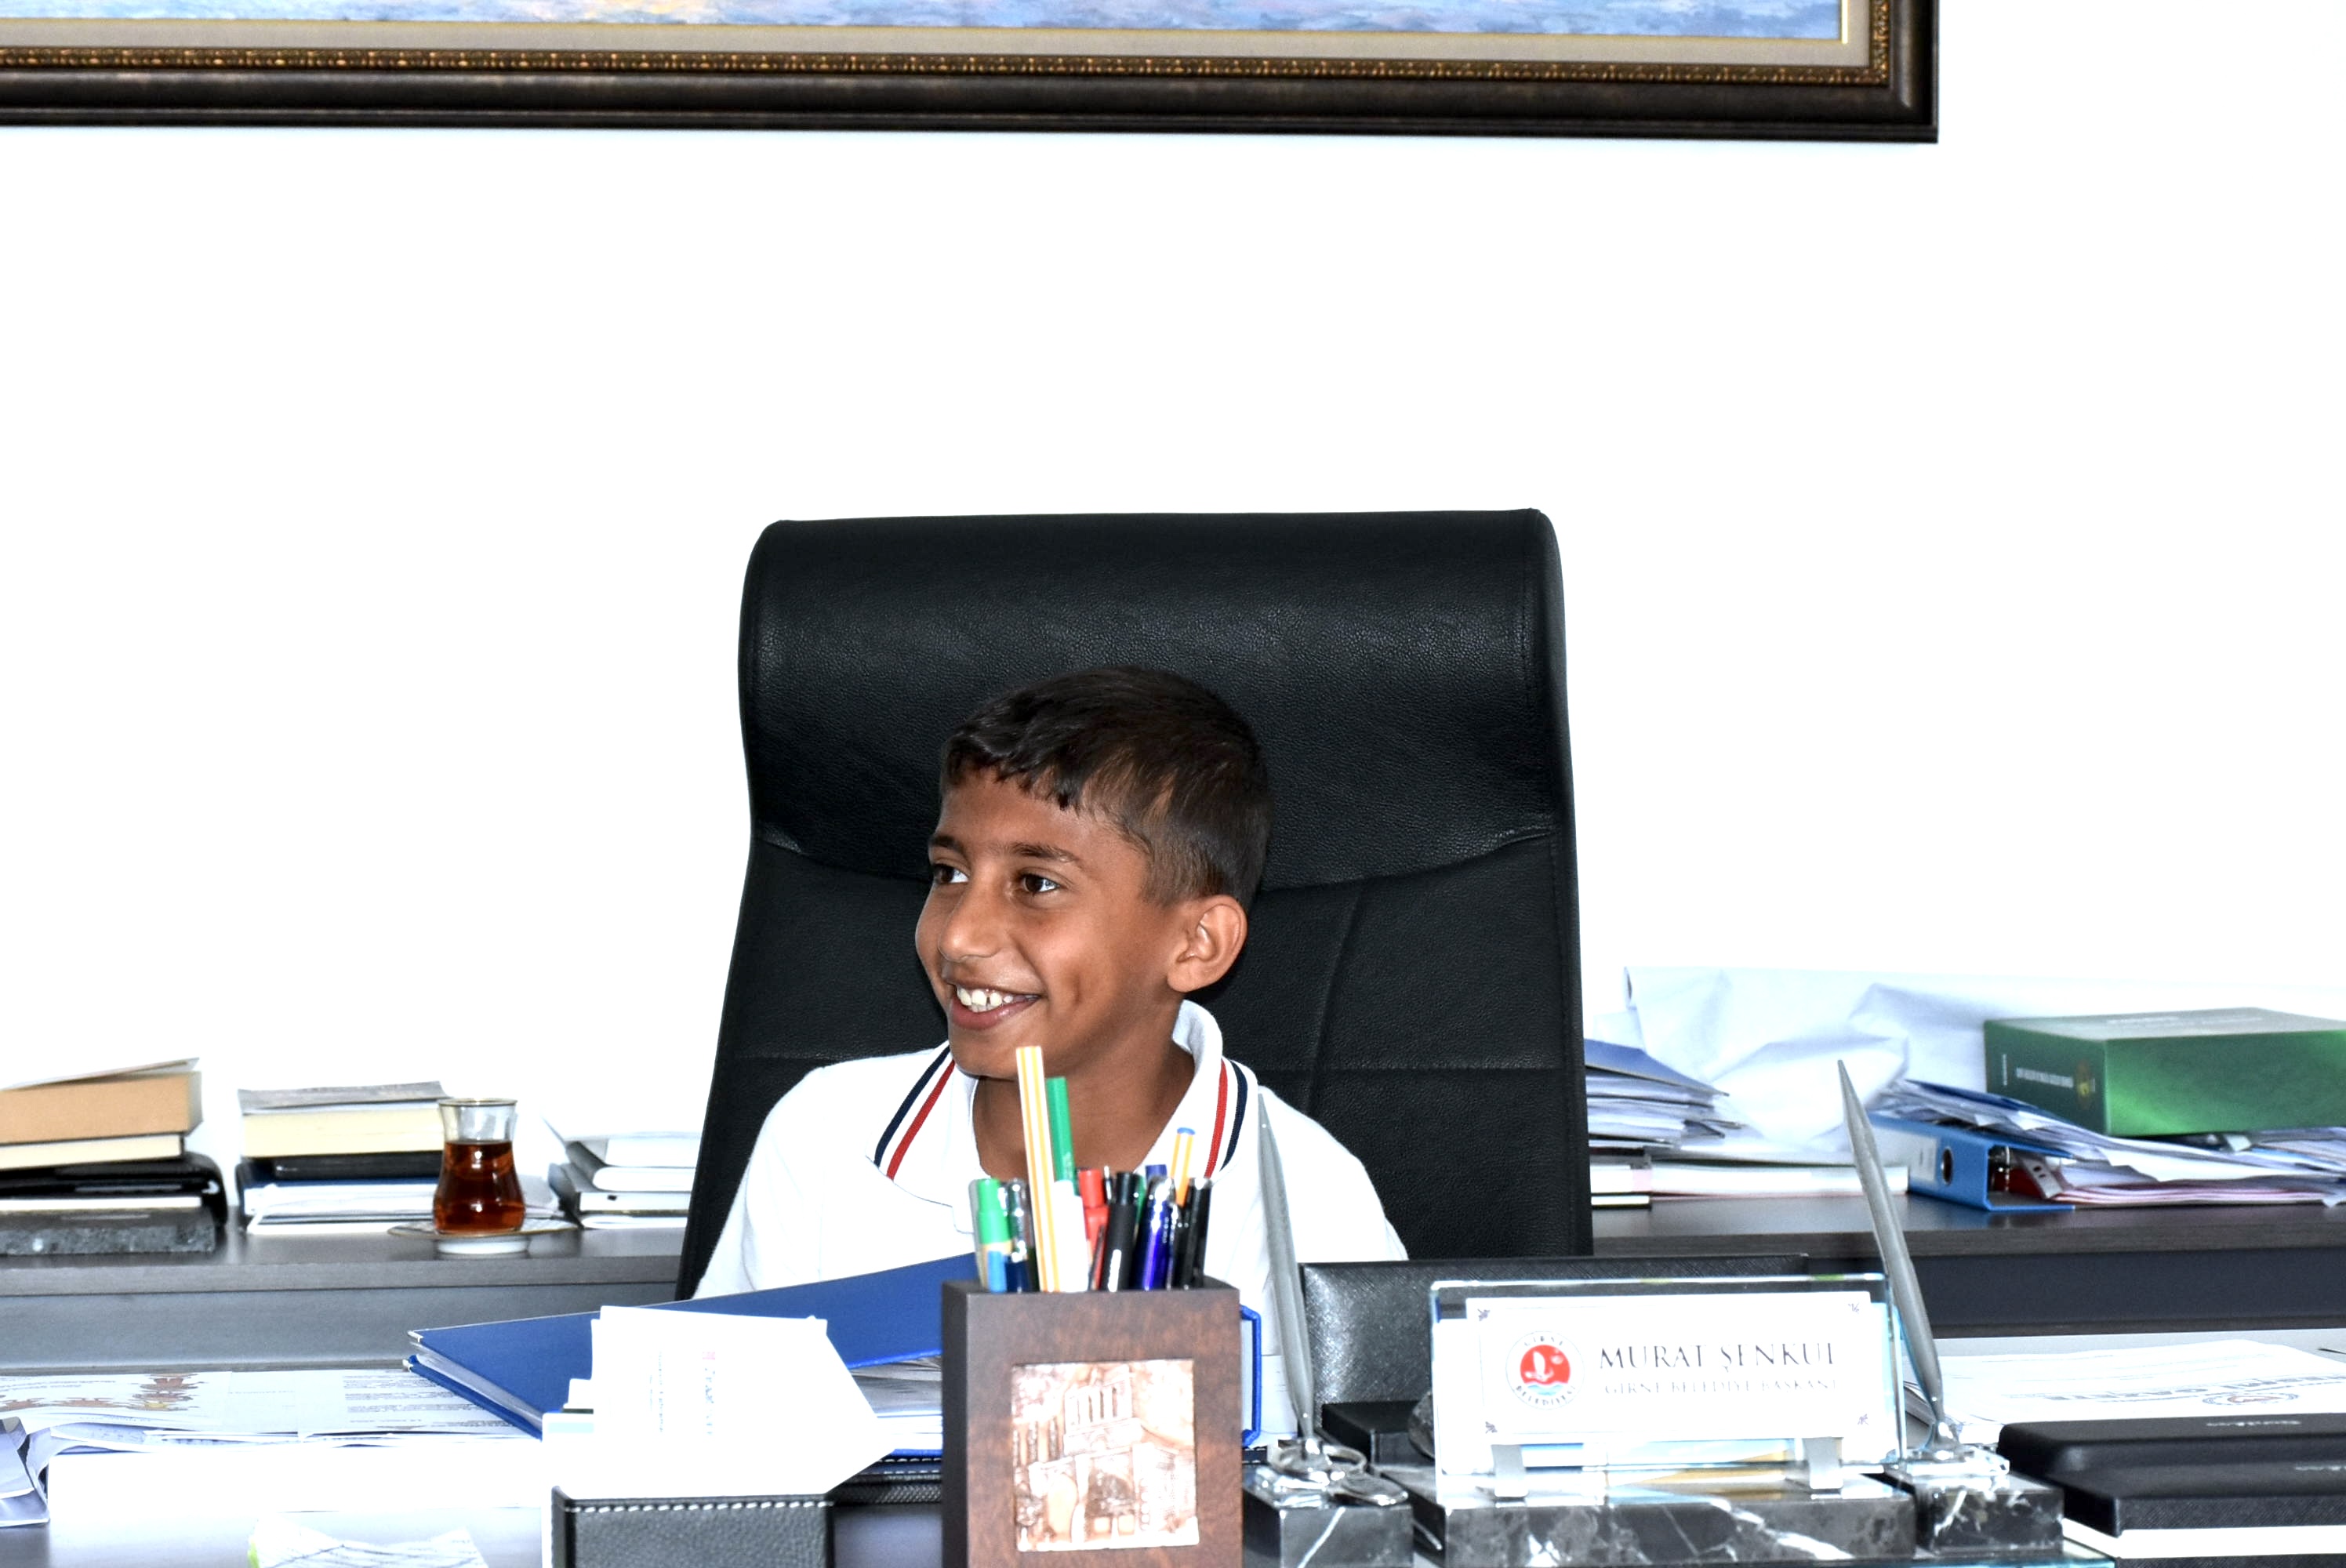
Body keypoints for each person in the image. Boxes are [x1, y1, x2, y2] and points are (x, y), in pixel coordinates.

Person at [695, 664, 1404, 1433]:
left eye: (1035, 883)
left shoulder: (1305, 1197)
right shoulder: (827, 1138)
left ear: (1197, 942)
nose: (960, 936)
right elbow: (713, 1445)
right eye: (949, 872)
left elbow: (1369, 1475)